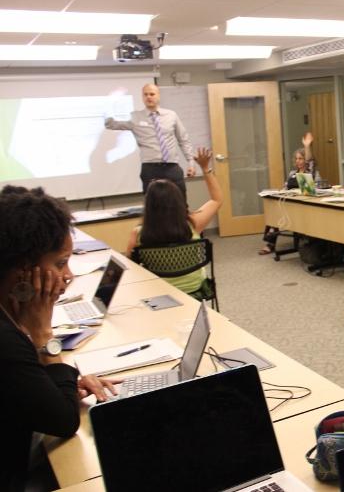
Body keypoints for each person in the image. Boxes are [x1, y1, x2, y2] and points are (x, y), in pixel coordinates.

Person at [0, 186, 118, 492]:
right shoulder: (7, 339)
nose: (69, 275)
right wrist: (43, 335)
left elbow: (23, 389)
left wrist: (59, 384)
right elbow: (63, 422)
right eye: (60, 263)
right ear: (24, 271)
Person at [126, 147, 221, 295]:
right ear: (178, 201)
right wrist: (205, 168)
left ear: (149, 205)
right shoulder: (193, 224)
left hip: (159, 293)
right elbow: (217, 199)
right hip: (194, 289)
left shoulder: (138, 233)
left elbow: (131, 267)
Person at [105, 83, 195, 198]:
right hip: (150, 168)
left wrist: (191, 163)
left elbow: (183, 140)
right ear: (142, 97)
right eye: (145, 94)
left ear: (158, 96)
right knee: (153, 205)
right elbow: (110, 124)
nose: (148, 97)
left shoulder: (171, 115)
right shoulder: (135, 117)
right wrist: (110, 102)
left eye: (152, 94)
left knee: (180, 202)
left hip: (172, 166)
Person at [259, 132, 320, 255]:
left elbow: (310, 162)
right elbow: (286, 187)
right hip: (290, 203)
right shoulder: (292, 173)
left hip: (304, 205)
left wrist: (307, 146)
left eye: (301, 158)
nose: (298, 161)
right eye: (296, 158)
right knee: (274, 212)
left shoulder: (311, 172)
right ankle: (270, 243)